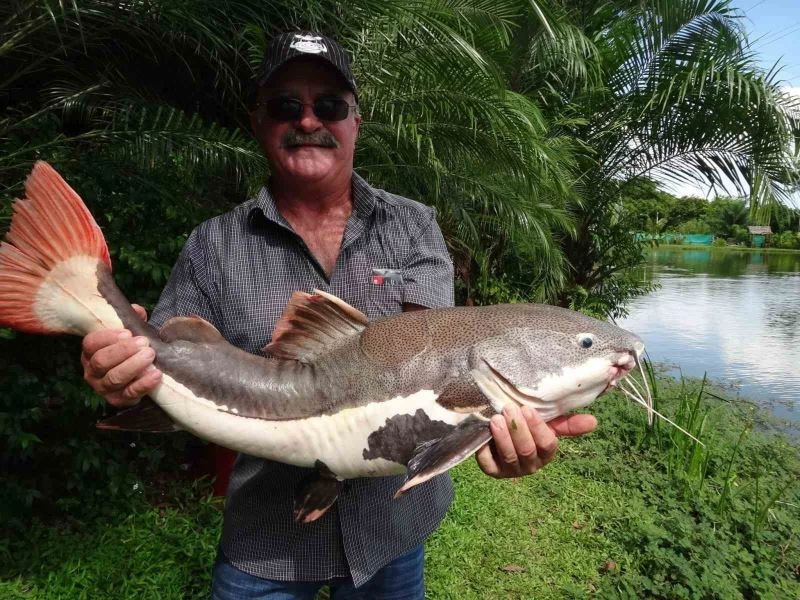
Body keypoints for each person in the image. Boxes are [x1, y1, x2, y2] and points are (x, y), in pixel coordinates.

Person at [79, 31, 597, 599]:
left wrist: (495, 433)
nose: (308, 121)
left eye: (328, 105)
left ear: (354, 120)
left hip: (391, 535)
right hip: (264, 542)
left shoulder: (414, 227)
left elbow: (441, 373)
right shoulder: (213, 246)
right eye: (286, 106)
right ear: (258, 121)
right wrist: (122, 376)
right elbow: (161, 365)